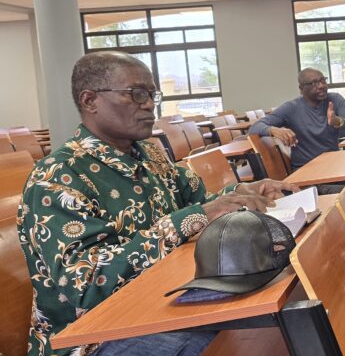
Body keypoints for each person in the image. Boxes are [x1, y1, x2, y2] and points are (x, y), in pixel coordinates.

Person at [17, 51, 297, 356]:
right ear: (89, 101)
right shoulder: (56, 178)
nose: (149, 104)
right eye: (135, 95)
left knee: (283, 305)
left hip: (163, 299)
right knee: (245, 336)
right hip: (92, 338)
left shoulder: (149, 155)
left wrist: (242, 193)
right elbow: (84, 284)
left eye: (152, 94)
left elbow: (199, 206)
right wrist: (188, 220)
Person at [249, 67, 345, 173]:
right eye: (314, 83)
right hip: (307, 170)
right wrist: (273, 130)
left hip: (334, 164)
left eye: (323, 80)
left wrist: (337, 121)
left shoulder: (335, 99)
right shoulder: (291, 108)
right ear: (301, 89)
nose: (321, 86)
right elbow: (254, 128)